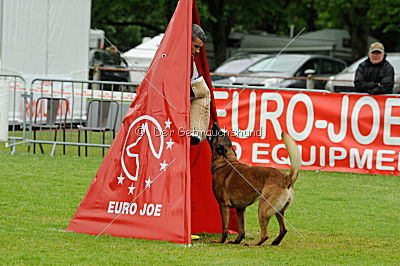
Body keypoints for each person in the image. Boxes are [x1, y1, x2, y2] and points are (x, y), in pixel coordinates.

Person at [189, 24, 211, 145]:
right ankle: (195, 132)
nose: (197, 51)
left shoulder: (190, 61)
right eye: (196, 46)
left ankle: (195, 133)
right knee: (204, 94)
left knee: (204, 93)